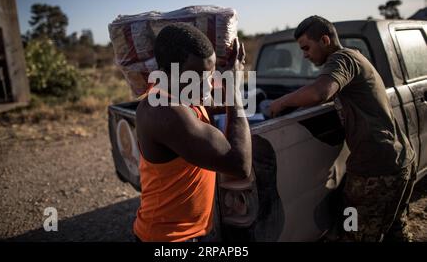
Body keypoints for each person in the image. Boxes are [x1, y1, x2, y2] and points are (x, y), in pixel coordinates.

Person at [269, 16, 416, 242]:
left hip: (375, 171)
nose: (304, 55)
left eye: (307, 48)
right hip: (399, 160)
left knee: (352, 231)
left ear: (325, 40)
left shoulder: (341, 58)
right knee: (395, 229)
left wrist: (282, 102)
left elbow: (320, 92)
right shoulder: (354, 56)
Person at [133, 23, 252, 242]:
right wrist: (234, 91)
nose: (208, 87)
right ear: (169, 71)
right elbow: (240, 165)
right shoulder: (164, 112)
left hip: (193, 232)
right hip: (169, 238)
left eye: (211, 74)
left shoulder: (184, 96)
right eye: (198, 77)